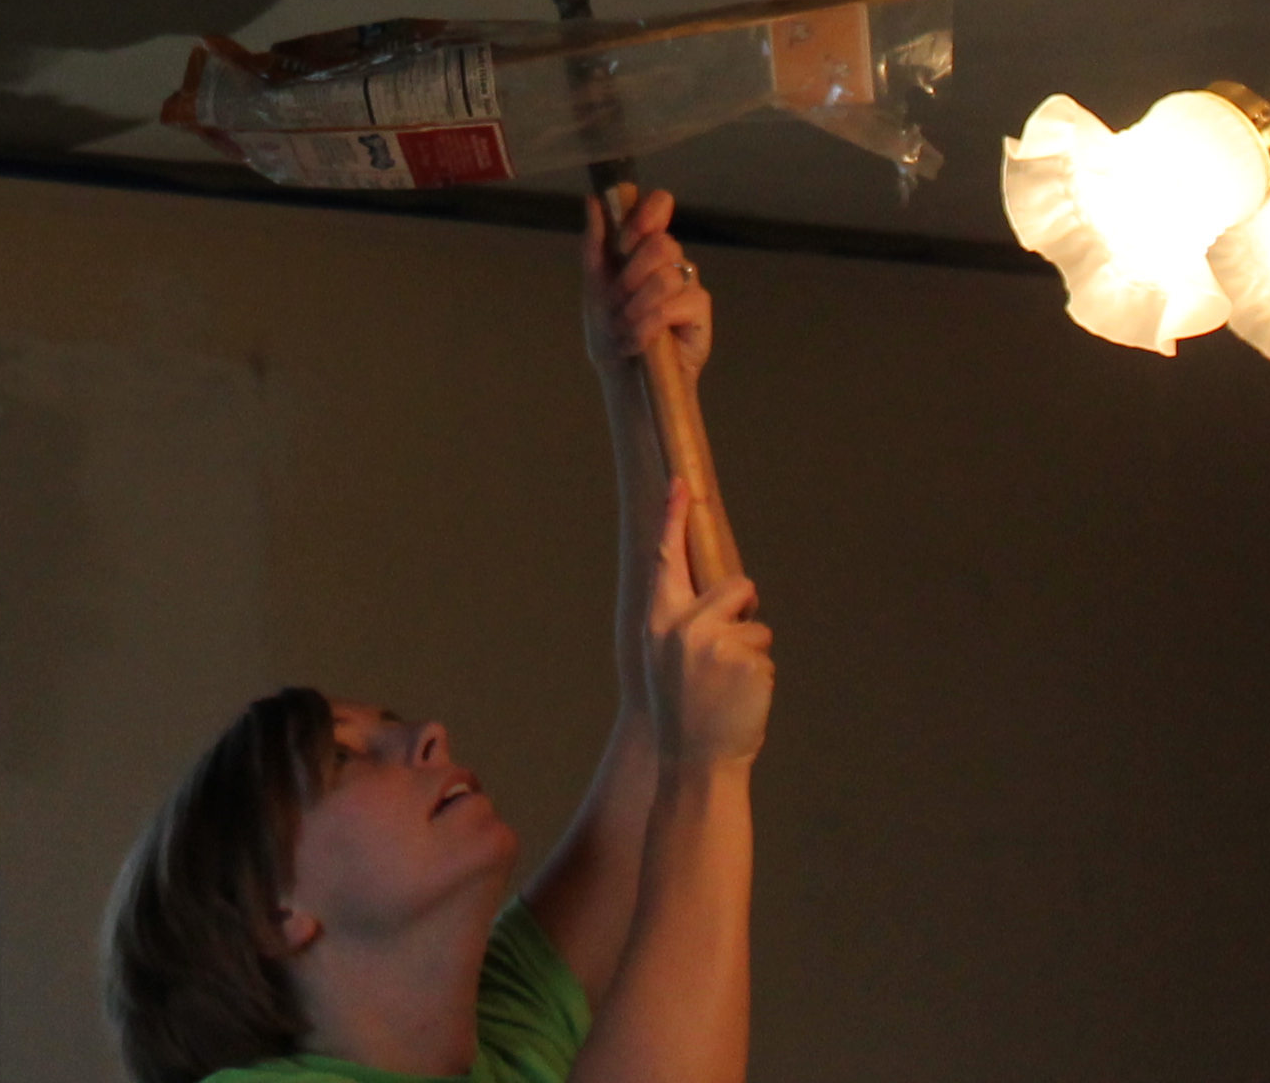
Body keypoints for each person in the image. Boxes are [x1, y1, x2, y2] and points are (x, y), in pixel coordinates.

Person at [103, 189, 773, 1083]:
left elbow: (664, 715)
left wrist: (645, 379)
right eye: (349, 757)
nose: (427, 735)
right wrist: (710, 771)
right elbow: (684, 755)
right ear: (276, 913)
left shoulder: (495, 1040)